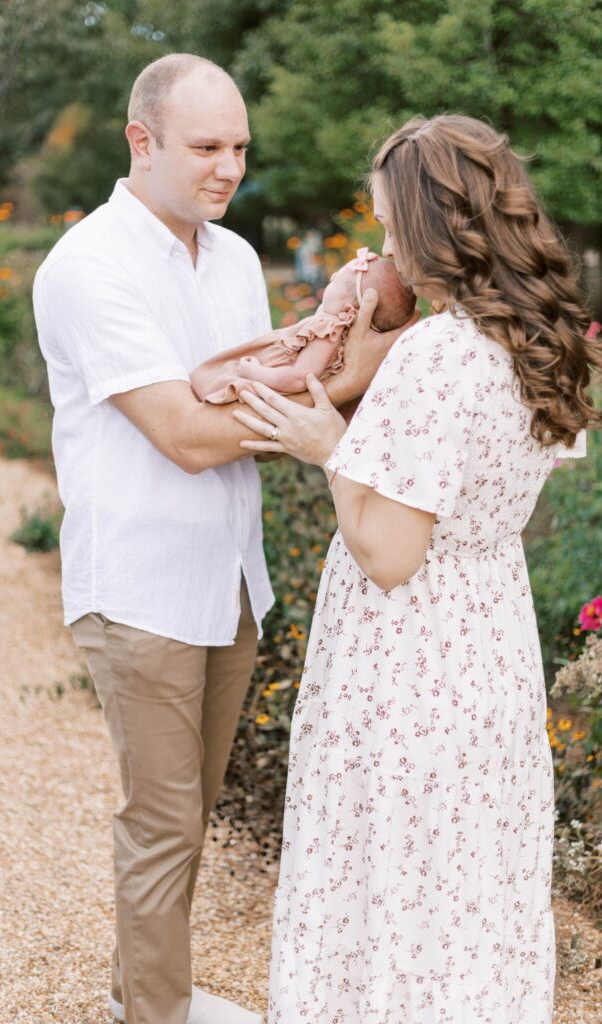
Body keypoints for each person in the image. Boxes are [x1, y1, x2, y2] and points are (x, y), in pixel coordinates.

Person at [33, 53, 412, 1024]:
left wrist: (343, 329)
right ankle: (155, 1012)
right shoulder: (88, 265)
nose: (228, 168)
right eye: (206, 147)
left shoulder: (236, 258)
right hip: (142, 582)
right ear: (140, 140)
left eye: (239, 147)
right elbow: (190, 434)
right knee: (162, 822)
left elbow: (268, 396)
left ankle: (139, 985)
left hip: (229, 579)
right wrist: (307, 381)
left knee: (189, 816)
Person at [233, 114, 601, 1024]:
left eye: (393, 223)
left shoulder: (437, 357)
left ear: (434, 225)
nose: (384, 243)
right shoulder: (528, 342)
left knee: (388, 889)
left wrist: (329, 446)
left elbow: (391, 554)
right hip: (488, 643)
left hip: (407, 662)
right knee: (465, 897)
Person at [190, 249, 415, 403]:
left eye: (337, 281)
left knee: (224, 378)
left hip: (272, 374)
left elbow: (299, 378)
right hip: (275, 372)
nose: (333, 275)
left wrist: (256, 373)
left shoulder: (328, 331)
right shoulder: (330, 324)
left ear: (348, 312)